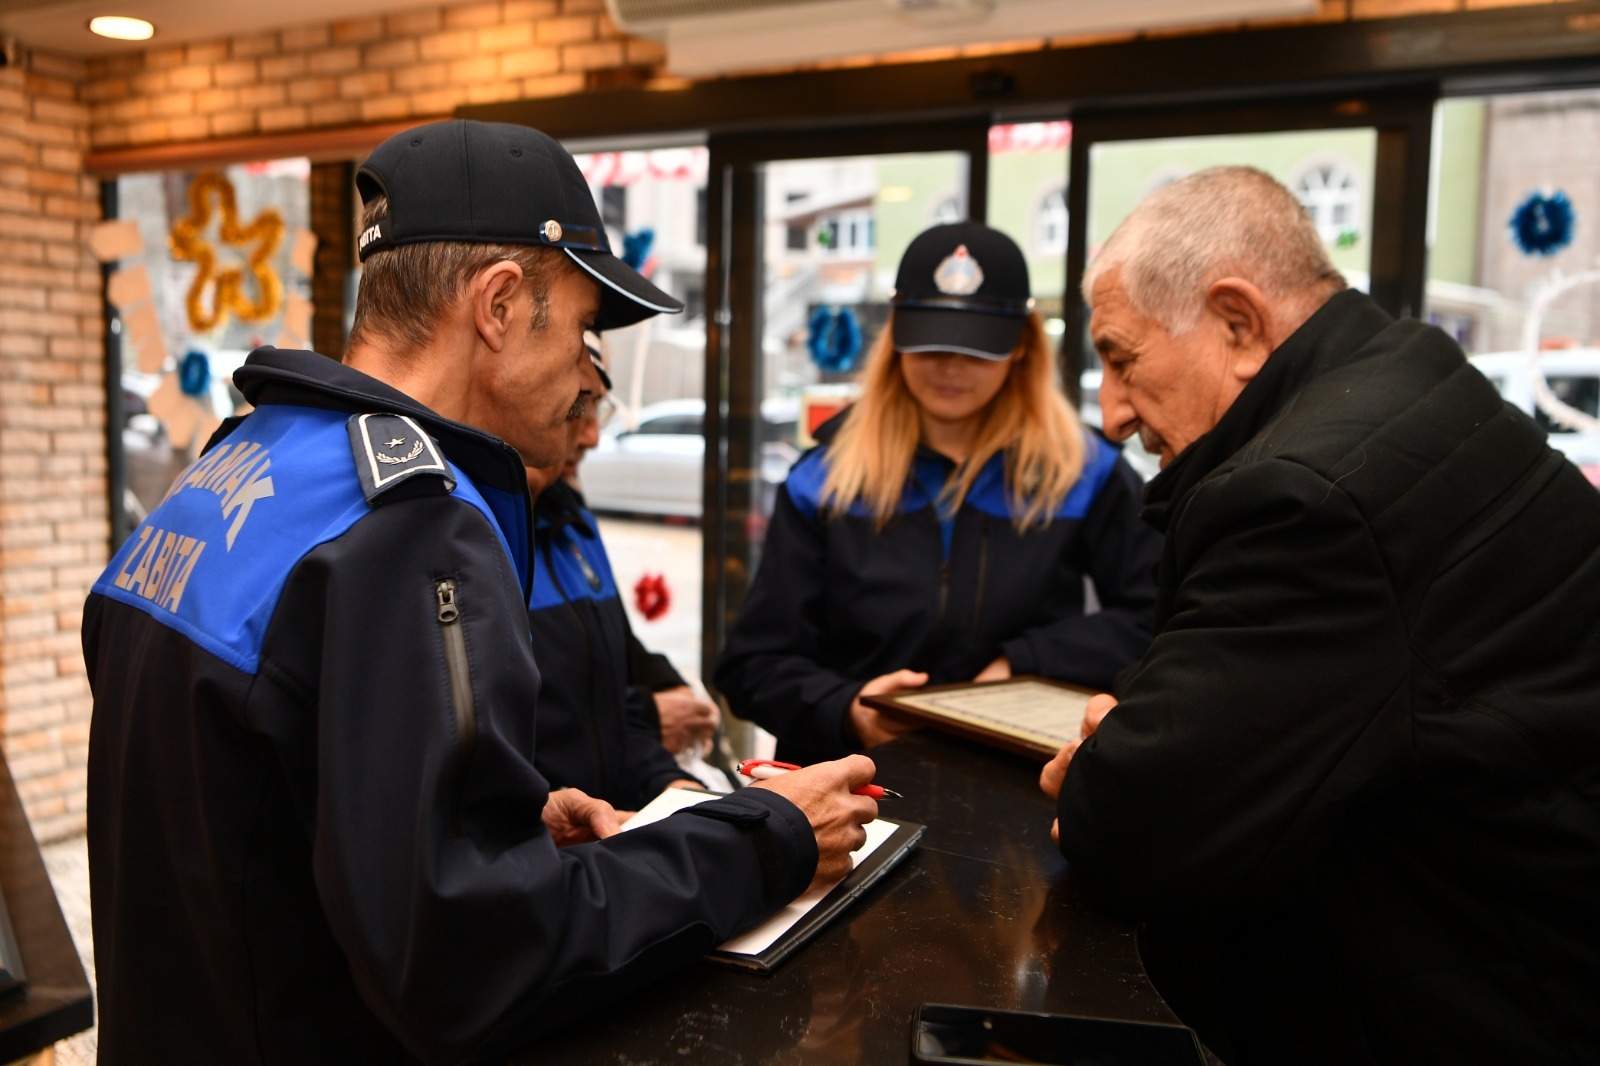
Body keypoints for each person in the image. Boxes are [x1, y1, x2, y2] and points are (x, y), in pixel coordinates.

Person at [82, 119, 878, 1063]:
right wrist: (763, 838)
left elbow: (252, 803)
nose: (586, 377)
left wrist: (486, 810)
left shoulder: (228, 471)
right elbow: (470, 962)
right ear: (499, 305)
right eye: (582, 326)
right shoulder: (412, 525)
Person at [1039, 166, 1600, 1064]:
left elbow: (1132, 832)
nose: (1109, 413)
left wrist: (1113, 763)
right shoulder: (1409, 374)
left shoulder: (1303, 498)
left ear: (1238, 323)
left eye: (1120, 357)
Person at [716, 221, 1161, 765]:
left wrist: (1022, 664)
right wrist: (848, 709)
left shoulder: (1087, 472)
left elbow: (1159, 619)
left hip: (1019, 779)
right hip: (848, 787)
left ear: (1022, 345)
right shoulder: (823, 479)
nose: (951, 367)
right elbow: (752, 665)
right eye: (930, 345)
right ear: (896, 338)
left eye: (976, 350)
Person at [522, 349, 714, 809]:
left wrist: (675, 787)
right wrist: (650, 715)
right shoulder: (469, 536)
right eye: (577, 406)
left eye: (597, 408)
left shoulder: (574, 519)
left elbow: (614, 661)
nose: (591, 435)